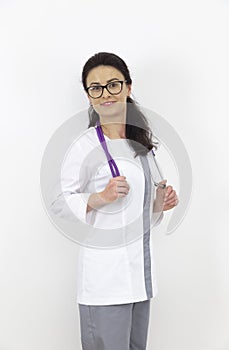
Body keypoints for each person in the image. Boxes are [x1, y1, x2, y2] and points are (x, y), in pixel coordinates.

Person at [51, 52, 178, 350]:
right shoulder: (84, 147)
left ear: (128, 87)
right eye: (95, 87)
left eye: (113, 84)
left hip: (140, 280)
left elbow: (142, 213)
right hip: (106, 282)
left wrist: (160, 202)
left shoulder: (142, 145)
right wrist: (100, 197)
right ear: (88, 95)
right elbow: (59, 204)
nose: (105, 93)